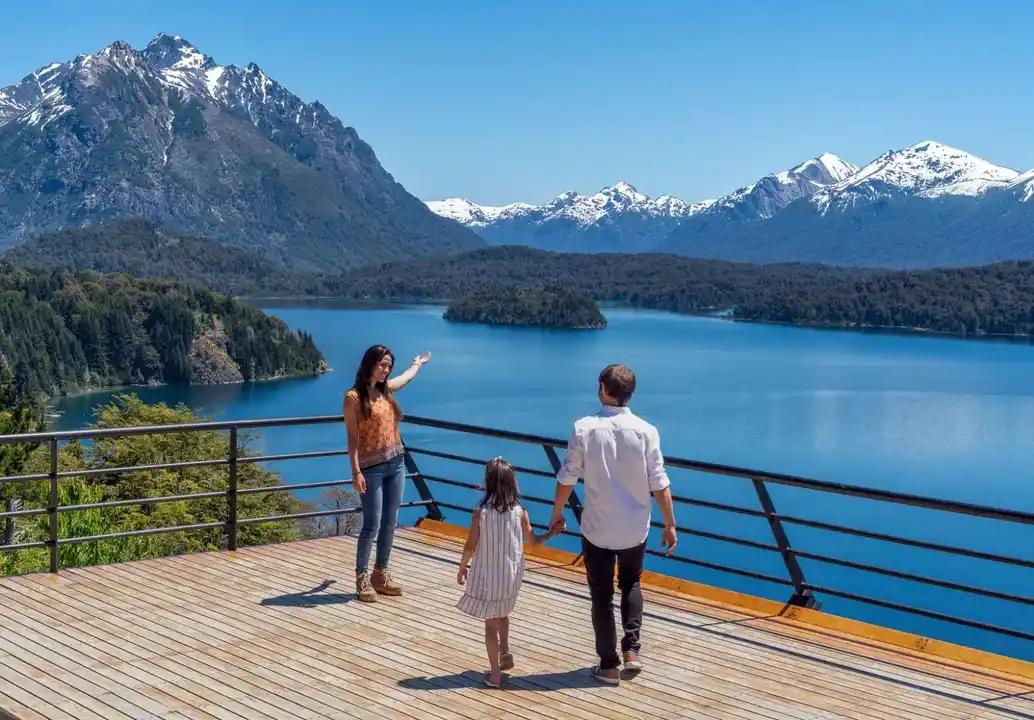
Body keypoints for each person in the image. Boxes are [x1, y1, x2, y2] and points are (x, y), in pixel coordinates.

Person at [549, 363, 677, 686]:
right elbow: (659, 483)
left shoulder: (584, 428)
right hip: (635, 528)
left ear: (604, 390)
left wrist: (557, 513)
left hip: (597, 528)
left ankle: (608, 666)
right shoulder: (647, 431)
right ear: (629, 393)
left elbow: (567, 477)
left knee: (601, 595)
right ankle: (632, 651)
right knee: (632, 583)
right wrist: (670, 524)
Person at [456, 458, 566, 688]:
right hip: (511, 576)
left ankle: (495, 674)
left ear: (488, 483)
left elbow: (470, 545)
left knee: (490, 626)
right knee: (503, 614)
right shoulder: (520, 512)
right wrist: (552, 534)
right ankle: (505, 653)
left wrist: (462, 566)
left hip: (487, 577)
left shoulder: (481, 513)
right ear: (512, 484)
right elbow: (533, 541)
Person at [344, 344, 431, 603]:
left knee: (390, 522)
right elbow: (352, 438)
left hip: (396, 463)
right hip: (371, 469)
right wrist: (355, 471)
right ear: (370, 363)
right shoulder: (353, 398)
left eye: (389, 365)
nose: (386, 369)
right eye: (382, 364)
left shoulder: (386, 390)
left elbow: (406, 378)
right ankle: (362, 577)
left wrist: (418, 363)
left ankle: (380, 574)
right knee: (371, 525)